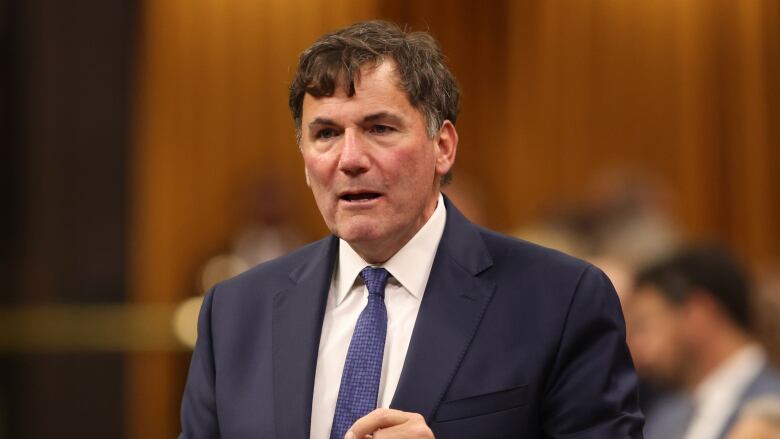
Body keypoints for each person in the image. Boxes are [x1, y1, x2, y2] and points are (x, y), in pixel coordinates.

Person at [179, 20, 643, 439]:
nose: (350, 159)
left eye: (379, 128)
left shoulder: (561, 299)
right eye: (325, 134)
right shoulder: (235, 311)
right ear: (304, 159)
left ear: (442, 147)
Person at [627, 245, 780, 439]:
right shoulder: (662, 414)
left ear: (699, 314)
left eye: (644, 326)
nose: (636, 349)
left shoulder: (774, 405)